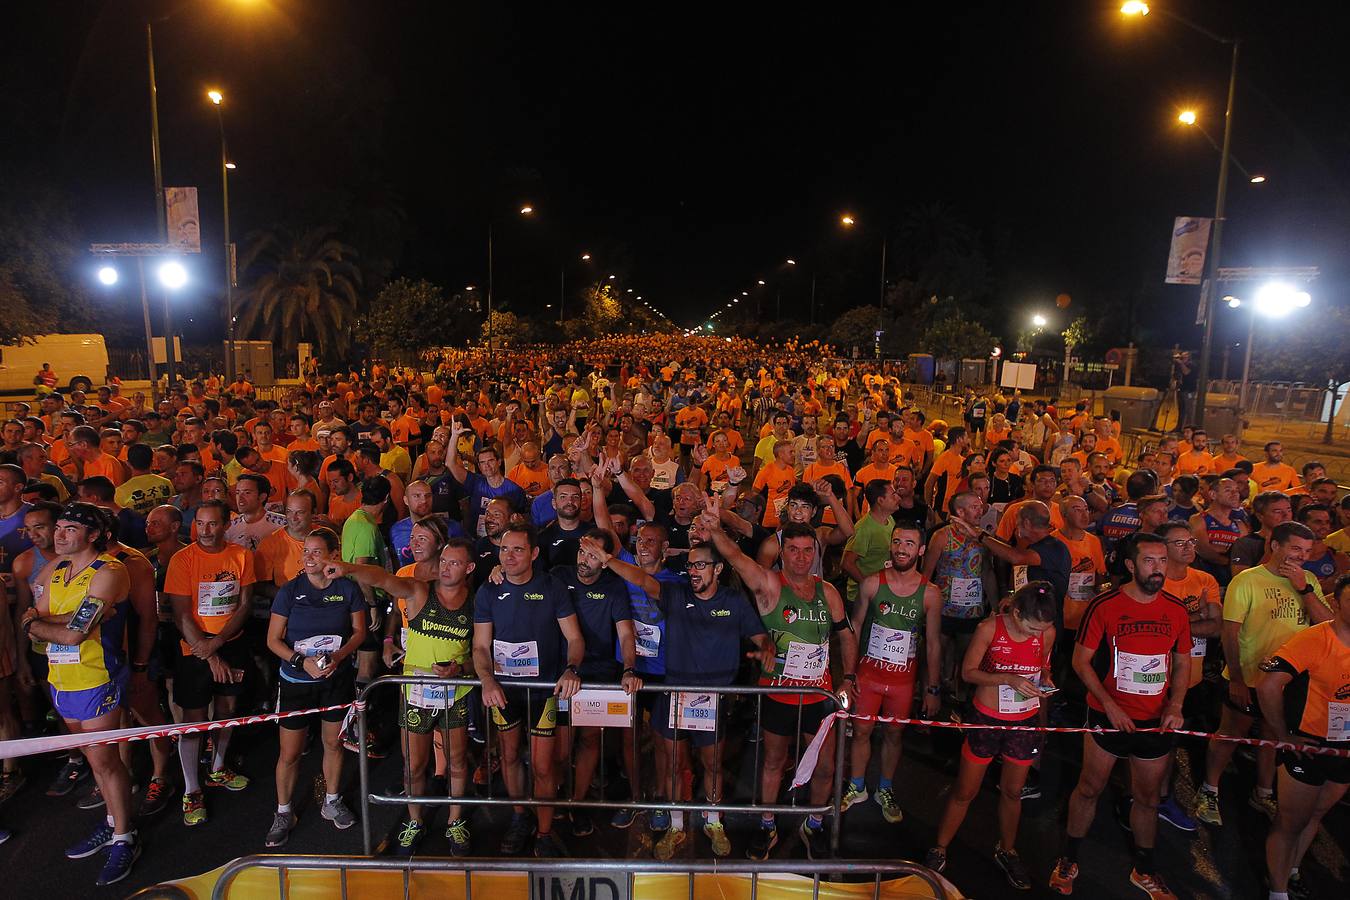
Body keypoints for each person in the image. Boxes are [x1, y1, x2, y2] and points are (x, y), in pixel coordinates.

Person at [604, 536, 773, 860]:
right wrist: (608, 559)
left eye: (700, 564)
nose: (693, 571)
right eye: (690, 565)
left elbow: (760, 635)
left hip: (713, 696)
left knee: (712, 764)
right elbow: (641, 578)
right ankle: (677, 824)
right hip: (676, 692)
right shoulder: (676, 594)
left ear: (718, 568)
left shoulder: (734, 601)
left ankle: (713, 822)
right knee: (674, 764)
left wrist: (766, 648)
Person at [703, 507, 855, 859]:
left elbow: (846, 635)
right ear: (782, 551)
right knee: (774, 761)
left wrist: (848, 677)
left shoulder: (827, 591)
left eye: (808, 551)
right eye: (794, 550)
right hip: (780, 694)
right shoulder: (770, 583)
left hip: (819, 694)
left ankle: (813, 823)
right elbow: (737, 558)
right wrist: (716, 530)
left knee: (826, 765)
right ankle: (768, 824)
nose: (801, 558)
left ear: (815, 552)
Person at [1048, 533, 1191, 899]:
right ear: (1131, 565)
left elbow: (1182, 663)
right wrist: (1108, 704)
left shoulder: (1175, 610)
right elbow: (1080, 662)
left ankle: (1144, 869)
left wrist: (1175, 705)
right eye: (1149, 561)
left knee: (1147, 798)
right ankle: (1069, 858)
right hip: (1106, 717)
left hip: (1154, 721)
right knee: (1090, 787)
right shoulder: (1105, 605)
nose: (1158, 568)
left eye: (1162, 561)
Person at [21, 502, 139, 885]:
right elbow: (33, 615)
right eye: (60, 527)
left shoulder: (109, 572)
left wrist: (41, 624)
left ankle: (125, 836)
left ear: (93, 535)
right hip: (62, 679)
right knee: (92, 759)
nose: (59, 534)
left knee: (104, 761)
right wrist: (48, 622)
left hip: (97, 677)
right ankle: (112, 819)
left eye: (71, 528)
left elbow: (74, 632)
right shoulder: (54, 568)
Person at [1193, 521, 1331, 826]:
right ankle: (1209, 789)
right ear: (1275, 546)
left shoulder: (1308, 580)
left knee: (1274, 735)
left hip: (1289, 681)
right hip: (1250, 676)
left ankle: (1263, 791)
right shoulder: (1247, 581)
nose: (1301, 557)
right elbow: (1230, 634)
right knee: (1231, 734)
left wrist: (1304, 589)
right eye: (1295, 548)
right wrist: (1238, 678)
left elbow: (1327, 625)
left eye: (1307, 551)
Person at [926, 582, 1057, 890]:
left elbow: (1043, 669)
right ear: (1015, 612)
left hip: (1023, 722)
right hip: (986, 718)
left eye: (1041, 630)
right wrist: (1007, 679)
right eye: (1029, 628)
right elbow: (968, 672)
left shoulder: (1045, 633)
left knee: (1013, 792)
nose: (1034, 635)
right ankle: (939, 847)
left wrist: (1046, 684)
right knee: (965, 790)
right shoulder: (990, 628)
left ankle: (1007, 850)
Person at [471, 523, 585, 857]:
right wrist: (487, 679)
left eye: (518, 549)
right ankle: (520, 816)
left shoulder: (552, 587)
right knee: (508, 756)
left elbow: (575, 638)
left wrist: (571, 668)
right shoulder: (488, 590)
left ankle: (545, 831)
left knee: (543, 767)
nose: (509, 557)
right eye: (504, 550)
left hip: (544, 690)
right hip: (505, 691)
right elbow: (480, 645)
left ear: (534, 553)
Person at [263, 527, 366, 847]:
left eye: (316, 552)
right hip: (296, 682)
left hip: (335, 681)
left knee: (333, 745)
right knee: (290, 752)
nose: (308, 558)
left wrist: (339, 656)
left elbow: (359, 632)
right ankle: (283, 811)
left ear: (334, 556)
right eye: (305, 552)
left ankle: (332, 801)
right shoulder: (290, 591)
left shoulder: (348, 590)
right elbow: (272, 640)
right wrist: (299, 662)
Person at [163, 499, 257, 827]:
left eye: (212, 524)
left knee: (227, 710)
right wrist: (210, 652)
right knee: (195, 719)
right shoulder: (182, 560)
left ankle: (217, 768)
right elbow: (181, 614)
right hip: (195, 649)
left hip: (231, 643)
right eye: (199, 524)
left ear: (226, 523)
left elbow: (245, 604)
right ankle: (192, 789)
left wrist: (219, 644)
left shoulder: (241, 555)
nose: (204, 531)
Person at [1257, 575, 1350, 900]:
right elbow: (1269, 684)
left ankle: (1291, 869)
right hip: (1307, 747)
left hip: (1344, 749)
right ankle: (1278, 891)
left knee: (1316, 815)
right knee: (1290, 822)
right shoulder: (1313, 639)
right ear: (1335, 604)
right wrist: (1283, 734)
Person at [844, 522, 941, 824]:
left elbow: (934, 643)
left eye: (909, 544)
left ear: (921, 550)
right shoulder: (873, 583)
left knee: (894, 735)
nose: (901, 548)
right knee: (860, 731)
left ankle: (885, 788)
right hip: (869, 675)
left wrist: (932, 689)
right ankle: (856, 785)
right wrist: (849, 675)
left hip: (903, 680)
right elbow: (854, 628)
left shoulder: (931, 593)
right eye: (897, 542)